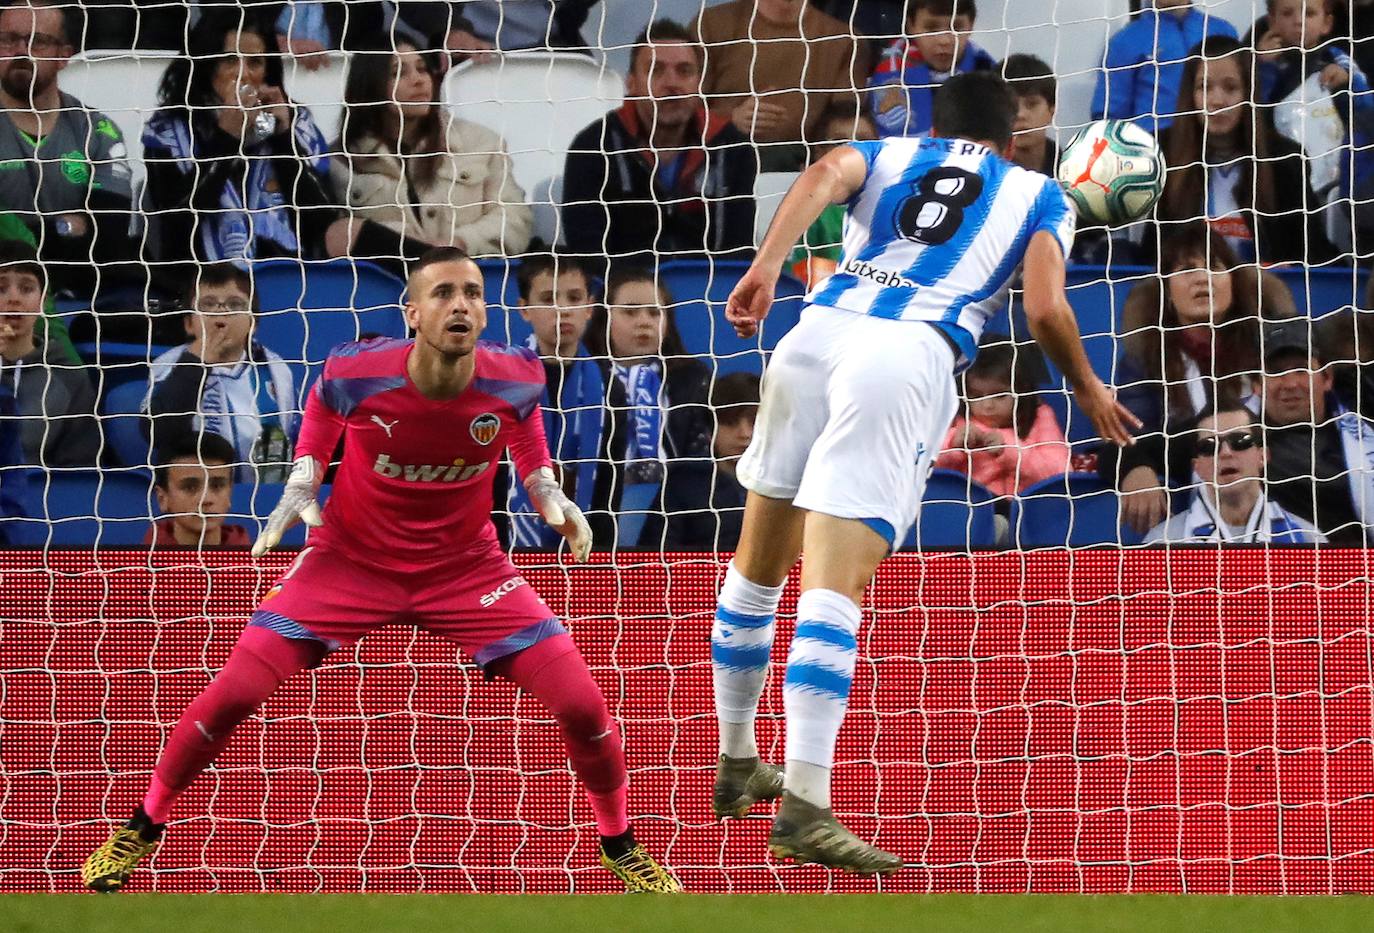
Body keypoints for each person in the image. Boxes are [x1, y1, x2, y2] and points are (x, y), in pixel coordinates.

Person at [81, 248, 679, 895]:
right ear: (413, 312)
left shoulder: (516, 375)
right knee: (232, 694)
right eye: (445, 292)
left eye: (473, 293)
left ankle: (620, 842)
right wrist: (304, 475)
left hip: (467, 569)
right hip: (349, 562)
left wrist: (547, 492)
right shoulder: (358, 368)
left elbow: (526, 428)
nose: (461, 304)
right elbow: (323, 404)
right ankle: (142, 825)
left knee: (584, 706)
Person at [707, 71, 1136, 873]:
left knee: (756, 569)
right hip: (903, 358)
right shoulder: (1041, 191)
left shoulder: (888, 148)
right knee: (834, 586)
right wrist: (1088, 386)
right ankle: (804, 805)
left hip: (813, 335)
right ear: (1016, 139)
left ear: (939, 122)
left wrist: (769, 264)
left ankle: (736, 760)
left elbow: (822, 174)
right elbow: (1045, 308)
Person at [1101, 222, 1288, 536]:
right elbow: (1126, 436)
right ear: (1167, 292)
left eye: (1214, 267)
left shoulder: (1271, 349)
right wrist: (1134, 467)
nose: (1202, 278)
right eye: (1187, 269)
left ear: (1234, 282)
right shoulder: (1145, 361)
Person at [141, 10, 352, 282]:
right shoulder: (168, 130)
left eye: (255, 62)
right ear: (206, 65)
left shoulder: (295, 120)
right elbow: (177, 222)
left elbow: (323, 223)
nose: (243, 74)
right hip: (201, 285)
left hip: (291, 281)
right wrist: (227, 136)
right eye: (230, 60)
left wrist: (283, 139)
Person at [562, 19, 756, 264]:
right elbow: (588, 256)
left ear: (700, 84)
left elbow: (737, 252)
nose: (671, 83)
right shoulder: (593, 146)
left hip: (708, 292)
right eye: (656, 70)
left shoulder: (731, 148)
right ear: (631, 83)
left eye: (684, 71)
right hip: (621, 297)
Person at [335, 39, 532, 259]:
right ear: (370, 85)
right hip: (387, 281)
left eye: (422, 69)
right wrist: (406, 242)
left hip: (472, 272)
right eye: (398, 73)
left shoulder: (481, 142)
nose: (418, 80)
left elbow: (515, 217)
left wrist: (459, 242)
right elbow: (338, 234)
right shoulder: (340, 158)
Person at [0, 0, 141, 299]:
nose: (21, 51)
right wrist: (68, 226)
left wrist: (20, 230)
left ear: (64, 55)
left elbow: (110, 234)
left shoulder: (98, 130)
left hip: (81, 296)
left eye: (38, 41)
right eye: (8, 40)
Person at [1153, 36, 1332, 266]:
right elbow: (1153, 256)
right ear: (1190, 96)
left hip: (1266, 294)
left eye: (1231, 88)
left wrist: (1290, 266)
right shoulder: (1163, 156)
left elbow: (1313, 250)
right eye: (1204, 87)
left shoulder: (1285, 159)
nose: (1217, 101)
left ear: (1249, 94)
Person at [585, 264, 712, 548]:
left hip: (673, 507)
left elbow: (699, 456)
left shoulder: (691, 377)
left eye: (654, 312)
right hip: (600, 501)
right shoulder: (585, 377)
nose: (644, 321)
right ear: (603, 317)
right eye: (630, 312)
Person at [146, 263, 297, 483]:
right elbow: (157, 433)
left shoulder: (275, 367)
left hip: (265, 496)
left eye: (234, 305)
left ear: (252, 323)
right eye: (207, 305)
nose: (220, 314)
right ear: (189, 323)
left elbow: (295, 436)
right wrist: (196, 361)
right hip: (197, 499)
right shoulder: (169, 364)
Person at [1253, 0, 1374, 257]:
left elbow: (1367, 112)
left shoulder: (1338, 60)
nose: (1299, 21)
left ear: (1327, 22)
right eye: (1287, 13)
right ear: (1271, 21)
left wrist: (1348, 83)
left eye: (1309, 13)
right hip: (1285, 176)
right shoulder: (1261, 64)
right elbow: (1251, 113)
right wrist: (1263, 68)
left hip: (1336, 177)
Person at [695, 0, 870, 172]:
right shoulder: (711, 25)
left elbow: (845, 121)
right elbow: (681, 109)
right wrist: (730, 122)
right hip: (722, 160)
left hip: (806, 169)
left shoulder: (845, 41)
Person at [507, 254, 603, 549]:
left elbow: (610, 477)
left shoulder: (607, 383)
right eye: (548, 299)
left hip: (587, 542)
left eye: (574, 298)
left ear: (589, 307)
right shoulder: (503, 378)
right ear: (524, 309)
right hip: (508, 540)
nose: (563, 310)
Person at [1254, 319, 1374, 545]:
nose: (1289, 383)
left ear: (1327, 377)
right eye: (1276, 372)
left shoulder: (1366, 430)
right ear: (1256, 384)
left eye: (1301, 369)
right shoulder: (1234, 440)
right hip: (1270, 571)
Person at [1144, 402, 1324, 544]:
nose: (1225, 453)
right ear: (1197, 467)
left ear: (1263, 456)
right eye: (1209, 446)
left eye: (1240, 441)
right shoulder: (1162, 543)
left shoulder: (1307, 538)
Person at [0, 241, 99, 467]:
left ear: (43, 301)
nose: (13, 298)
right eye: (1, 288)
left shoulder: (68, 376)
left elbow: (77, 466)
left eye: (26, 289)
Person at [934, 338, 1069, 497]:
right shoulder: (958, 419)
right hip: (972, 511)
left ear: (1021, 390)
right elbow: (924, 471)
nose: (987, 405)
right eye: (976, 396)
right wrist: (953, 445)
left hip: (1028, 510)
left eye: (999, 395)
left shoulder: (1040, 418)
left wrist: (1009, 448)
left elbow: (1061, 473)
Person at [1091, 0, 1238, 136]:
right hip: (1155, 147)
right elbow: (1109, 116)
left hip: (1215, 145)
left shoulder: (1222, 30)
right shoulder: (1126, 40)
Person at [866, 0, 995, 139]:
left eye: (956, 28)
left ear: (971, 25)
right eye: (931, 28)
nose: (944, 40)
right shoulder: (885, 70)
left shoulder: (986, 70)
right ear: (911, 26)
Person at [663, 372, 759, 551]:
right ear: (709, 432)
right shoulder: (682, 486)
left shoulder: (793, 486)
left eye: (754, 423)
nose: (744, 433)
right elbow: (654, 560)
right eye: (730, 423)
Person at [787, 111, 878, 287]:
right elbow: (798, 273)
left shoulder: (896, 202)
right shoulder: (813, 210)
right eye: (839, 143)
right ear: (820, 153)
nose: (854, 151)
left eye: (864, 141)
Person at [145, 431, 253, 549]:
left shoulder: (258, 563)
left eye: (217, 486)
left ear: (229, 492)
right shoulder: (139, 564)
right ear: (162, 499)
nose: (206, 499)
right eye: (189, 487)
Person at [1001, 54, 1058, 177]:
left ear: (1052, 111)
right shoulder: (983, 171)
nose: (1020, 115)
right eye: (1010, 105)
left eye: (1032, 104)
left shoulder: (1070, 168)